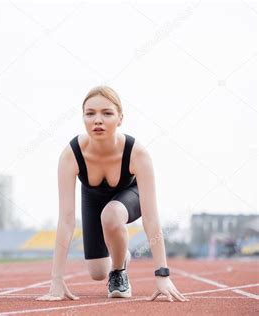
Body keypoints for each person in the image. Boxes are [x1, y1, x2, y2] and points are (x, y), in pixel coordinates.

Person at [35, 86, 188, 302]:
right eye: (90, 114)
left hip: (129, 196)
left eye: (107, 113)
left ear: (120, 118)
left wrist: (162, 275)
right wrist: (56, 280)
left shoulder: (137, 153)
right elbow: (67, 219)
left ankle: (118, 272)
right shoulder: (71, 155)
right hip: (93, 200)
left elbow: (151, 218)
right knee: (97, 272)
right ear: (83, 118)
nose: (98, 120)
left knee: (112, 214)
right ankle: (121, 256)